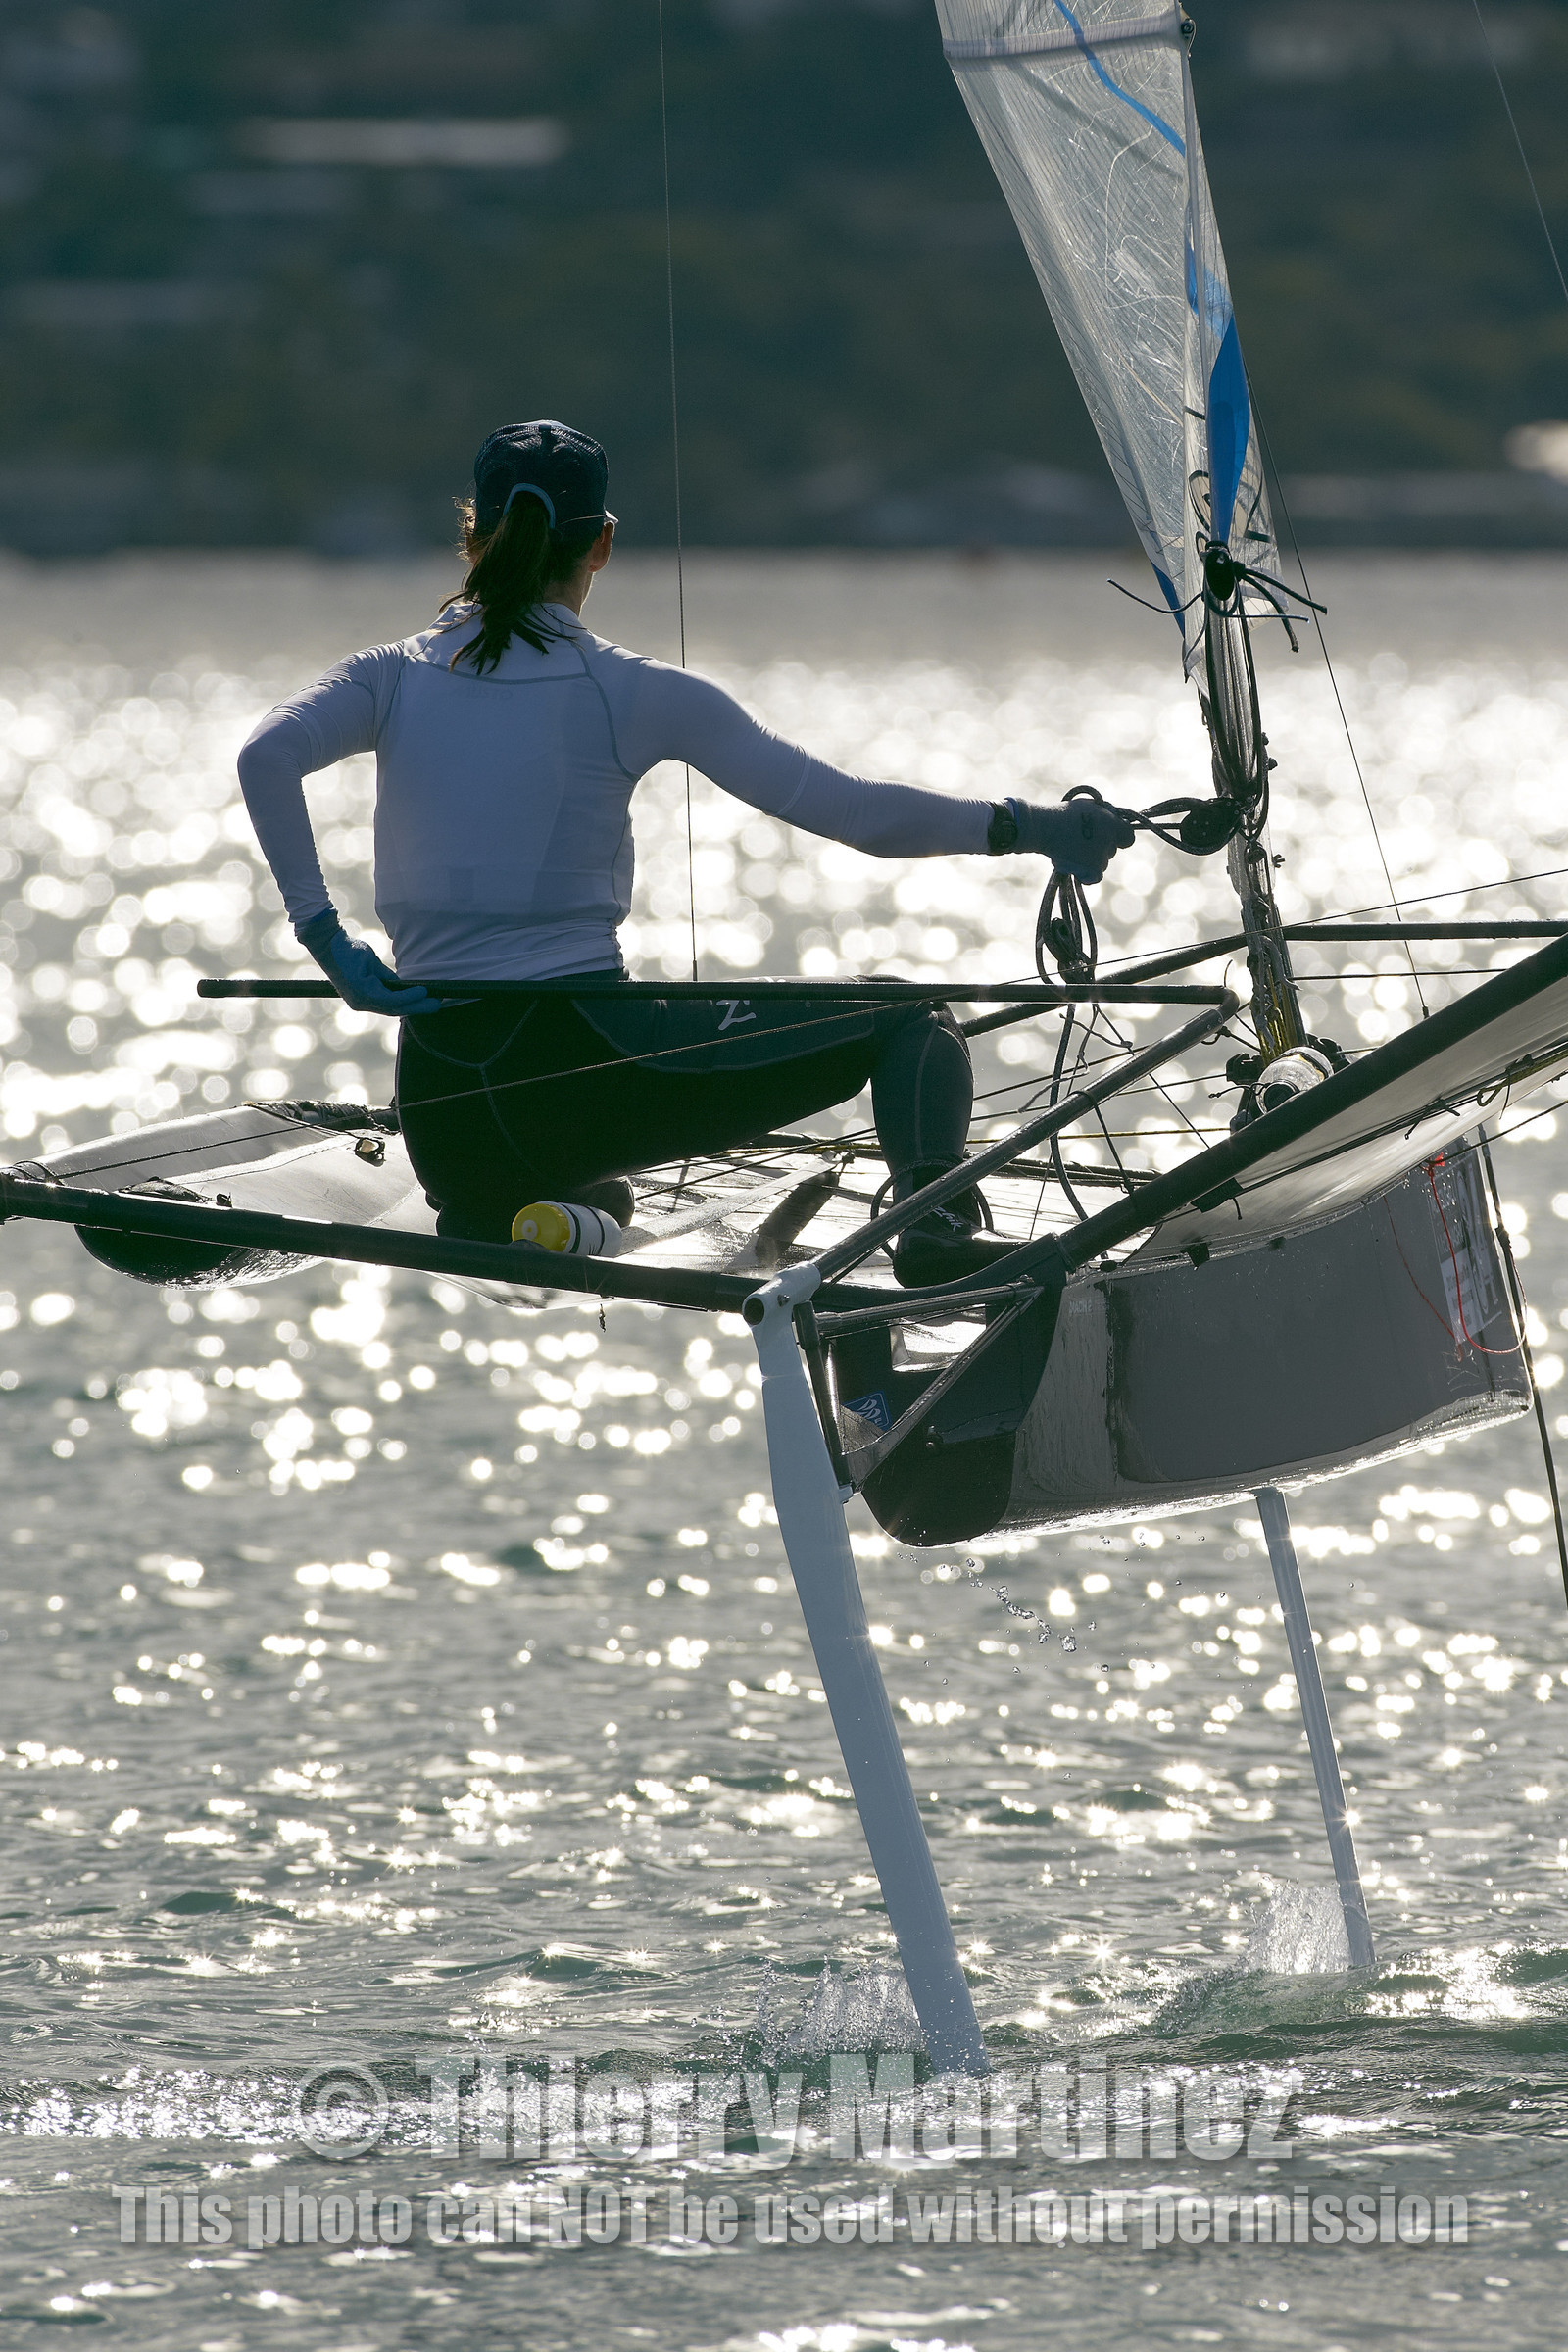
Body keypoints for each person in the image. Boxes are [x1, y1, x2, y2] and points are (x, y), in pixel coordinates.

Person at [237, 419, 1132, 1286]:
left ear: (471, 534)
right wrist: (1036, 827)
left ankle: (522, 1214)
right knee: (912, 1018)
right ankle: (933, 1230)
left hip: (447, 1116)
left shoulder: (389, 674)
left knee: (593, 1191)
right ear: (604, 545)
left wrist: (328, 941)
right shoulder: (634, 689)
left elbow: (265, 754)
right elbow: (861, 817)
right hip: (589, 1076)